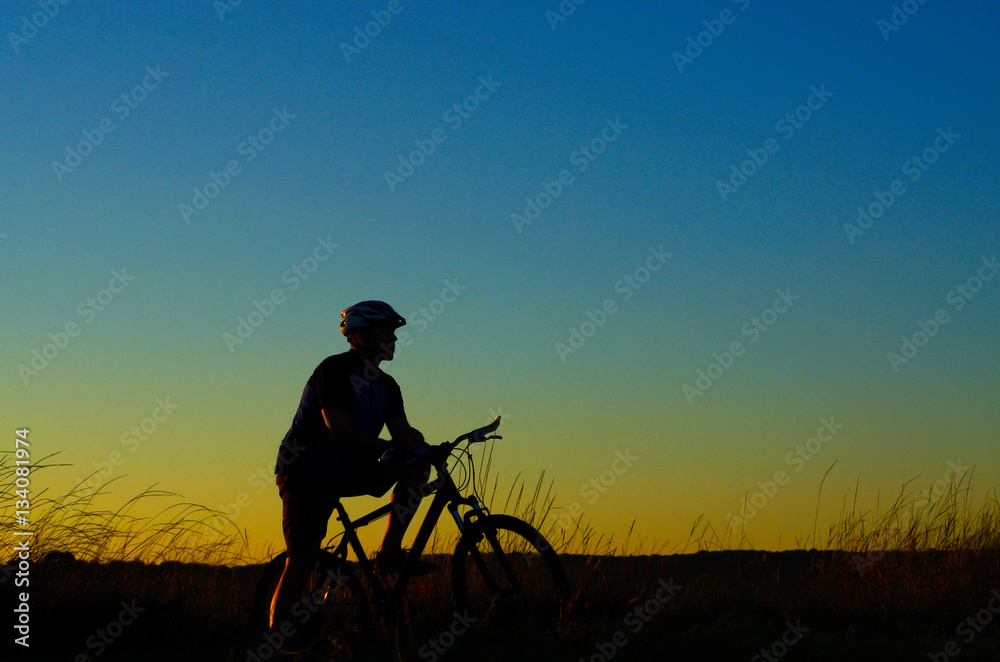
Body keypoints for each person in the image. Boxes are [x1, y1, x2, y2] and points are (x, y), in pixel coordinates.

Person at [269, 300, 433, 640]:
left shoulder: (388, 386)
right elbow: (337, 429)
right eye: (387, 331)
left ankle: (389, 553)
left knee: (416, 467)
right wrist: (389, 448)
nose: (394, 339)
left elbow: (403, 433)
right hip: (306, 472)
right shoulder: (335, 369)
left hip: (350, 468)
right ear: (360, 335)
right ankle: (278, 639)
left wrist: (426, 448)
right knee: (303, 557)